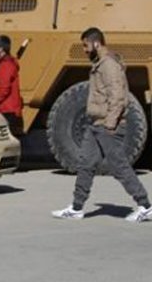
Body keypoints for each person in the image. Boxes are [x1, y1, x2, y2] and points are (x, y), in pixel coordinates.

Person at [52, 27, 152, 223]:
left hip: (107, 125)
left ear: (96, 43)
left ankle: (146, 206)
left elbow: (118, 96)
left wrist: (110, 123)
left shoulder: (109, 65)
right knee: (86, 164)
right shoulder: (100, 64)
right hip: (96, 124)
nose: (84, 50)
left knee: (118, 166)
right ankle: (76, 208)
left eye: (86, 46)